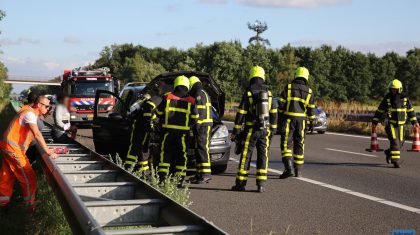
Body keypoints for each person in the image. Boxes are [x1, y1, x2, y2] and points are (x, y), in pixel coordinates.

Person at [0, 96, 58, 211]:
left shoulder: (27, 109)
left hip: (7, 146)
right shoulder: (30, 115)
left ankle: (2, 202)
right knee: (29, 177)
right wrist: (47, 150)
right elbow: (36, 133)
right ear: (38, 105)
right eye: (46, 106)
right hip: (13, 149)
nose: (48, 108)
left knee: (7, 175)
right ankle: (29, 206)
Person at [231, 66, 278, 193]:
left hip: (251, 130)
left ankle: (241, 183)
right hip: (265, 130)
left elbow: (241, 112)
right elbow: (274, 112)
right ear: (263, 76)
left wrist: (235, 131)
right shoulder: (268, 92)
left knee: (246, 155)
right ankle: (261, 185)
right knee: (263, 156)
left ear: (251, 76)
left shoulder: (249, 92)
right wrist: (272, 130)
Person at [155, 75, 198, 186]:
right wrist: (188, 125)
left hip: (167, 132)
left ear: (175, 84)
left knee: (165, 154)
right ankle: (180, 180)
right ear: (187, 86)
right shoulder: (191, 100)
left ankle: (163, 179)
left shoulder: (168, 97)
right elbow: (195, 118)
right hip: (183, 134)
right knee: (182, 155)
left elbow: (158, 114)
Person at [278, 67, 315, 179]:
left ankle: (288, 168)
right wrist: (311, 122)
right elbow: (311, 109)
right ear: (306, 77)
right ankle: (298, 171)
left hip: (288, 119)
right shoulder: (309, 91)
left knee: (286, 144)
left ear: (296, 75)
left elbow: (281, 105)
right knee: (299, 145)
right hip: (302, 122)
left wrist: (279, 118)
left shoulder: (289, 88)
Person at [372, 79, 419, 168]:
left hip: (401, 126)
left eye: (395, 89)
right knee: (395, 143)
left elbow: (410, 111)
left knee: (399, 144)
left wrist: (415, 122)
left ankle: (388, 152)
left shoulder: (405, 99)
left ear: (399, 89)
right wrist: (375, 121)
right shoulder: (387, 98)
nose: (393, 91)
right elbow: (379, 111)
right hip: (391, 125)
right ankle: (395, 161)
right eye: (392, 89)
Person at [124, 92, 163, 173]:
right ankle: (141, 169)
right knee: (143, 147)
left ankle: (129, 167)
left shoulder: (146, 100)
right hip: (142, 126)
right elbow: (149, 111)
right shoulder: (158, 99)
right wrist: (156, 121)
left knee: (136, 146)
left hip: (138, 125)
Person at [188, 76, 213, 184]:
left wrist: (196, 124)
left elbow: (199, 111)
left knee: (202, 149)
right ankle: (199, 174)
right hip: (203, 125)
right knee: (199, 150)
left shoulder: (198, 94)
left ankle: (206, 175)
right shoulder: (203, 92)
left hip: (203, 126)